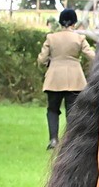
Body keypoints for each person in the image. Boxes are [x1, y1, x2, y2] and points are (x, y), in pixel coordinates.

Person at [38, 8, 95, 150]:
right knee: (72, 111)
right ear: (74, 23)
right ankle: (69, 141)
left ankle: (53, 140)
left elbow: (41, 59)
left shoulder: (51, 38)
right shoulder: (79, 38)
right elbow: (92, 56)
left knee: (52, 110)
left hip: (54, 79)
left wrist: (48, 63)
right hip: (75, 79)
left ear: (60, 22)